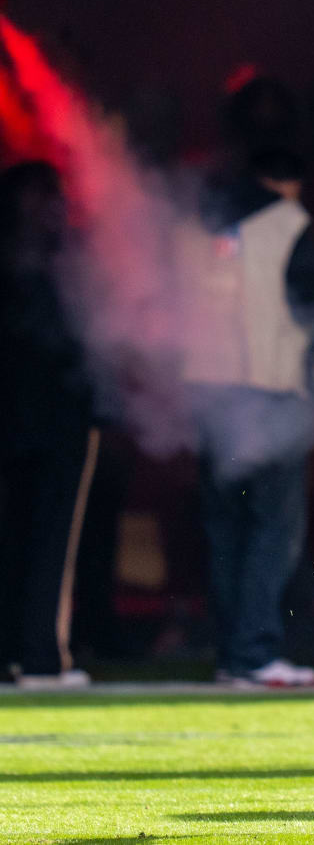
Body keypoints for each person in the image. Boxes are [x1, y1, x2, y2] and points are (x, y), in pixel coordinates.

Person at [183, 145, 314, 687]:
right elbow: (304, 307)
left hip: (208, 391)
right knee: (272, 529)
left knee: (225, 528)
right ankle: (255, 652)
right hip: (269, 389)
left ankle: (233, 653)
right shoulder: (288, 222)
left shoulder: (201, 222)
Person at [0, 161, 98, 689]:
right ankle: (39, 658)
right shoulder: (61, 261)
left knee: (24, 538)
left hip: (33, 412)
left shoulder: (58, 257)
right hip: (54, 413)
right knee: (48, 540)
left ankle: (26, 652)